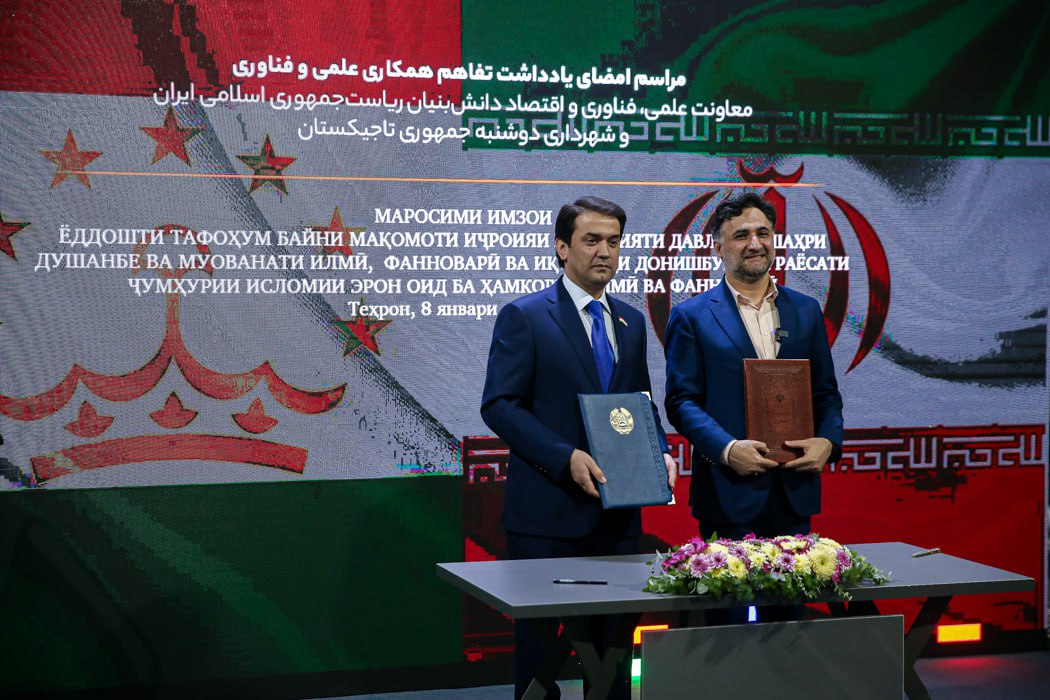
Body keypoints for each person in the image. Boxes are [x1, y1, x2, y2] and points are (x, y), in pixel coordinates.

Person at [481, 195, 677, 700]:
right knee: (540, 662)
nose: (604, 252)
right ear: (562, 247)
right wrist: (564, 457)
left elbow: (640, 404)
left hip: (617, 520)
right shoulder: (525, 316)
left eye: (614, 241)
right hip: (547, 520)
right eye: (591, 240)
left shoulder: (631, 322)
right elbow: (499, 406)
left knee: (612, 660)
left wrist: (660, 452)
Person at [663, 191, 843, 601]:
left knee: (790, 619)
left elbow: (826, 393)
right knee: (726, 619)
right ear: (718, 247)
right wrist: (727, 450)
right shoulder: (691, 316)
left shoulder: (806, 311)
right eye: (741, 235)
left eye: (763, 233)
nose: (755, 243)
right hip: (727, 492)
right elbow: (681, 402)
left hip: (794, 490)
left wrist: (828, 442)